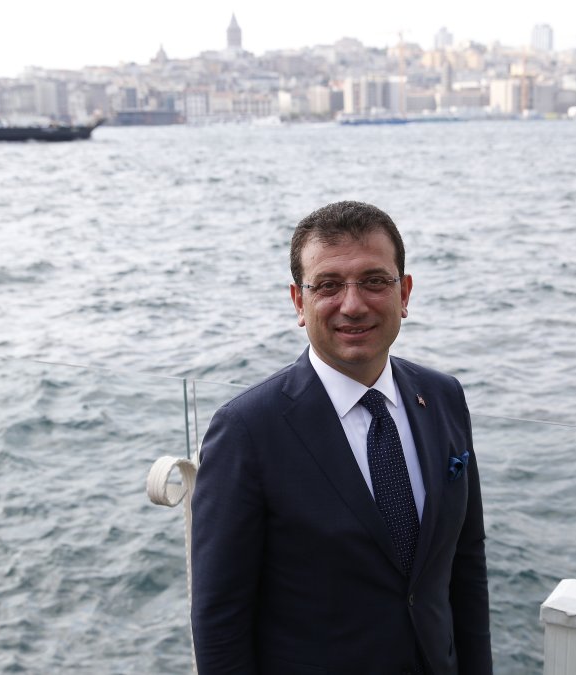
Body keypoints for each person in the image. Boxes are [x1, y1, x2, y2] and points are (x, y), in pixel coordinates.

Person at [190, 200, 492, 675]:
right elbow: (220, 620)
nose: (353, 305)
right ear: (299, 302)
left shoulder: (444, 397)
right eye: (328, 285)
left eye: (374, 281)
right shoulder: (246, 431)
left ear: (404, 293)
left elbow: (466, 566)